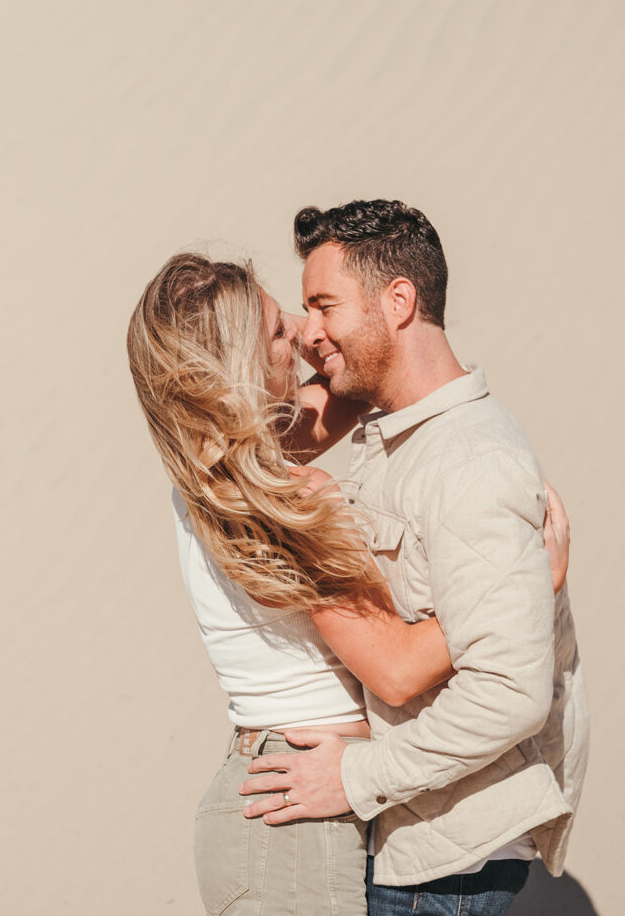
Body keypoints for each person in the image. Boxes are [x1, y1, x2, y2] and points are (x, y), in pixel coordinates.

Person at [238, 200, 590, 916]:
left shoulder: (471, 461)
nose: (310, 331)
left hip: (450, 860)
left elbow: (508, 693)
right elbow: (245, 455)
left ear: (399, 302)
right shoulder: (389, 433)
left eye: (324, 305)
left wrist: (354, 777)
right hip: (418, 841)